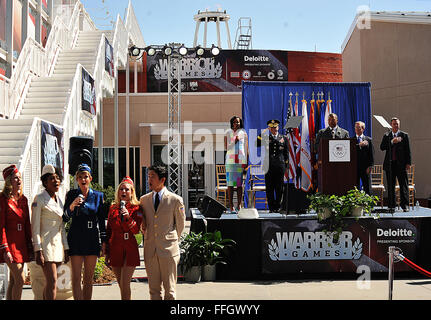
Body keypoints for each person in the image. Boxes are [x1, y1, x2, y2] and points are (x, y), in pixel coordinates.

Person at [140, 165, 186, 300]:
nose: (149, 179)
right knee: (153, 291)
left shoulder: (175, 200)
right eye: (148, 176)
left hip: (168, 250)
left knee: (170, 291)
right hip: (150, 250)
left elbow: (180, 225)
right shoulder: (144, 200)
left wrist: (170, 240)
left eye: (152, 176)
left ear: (162, 179)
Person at [63, 164, 106, 300]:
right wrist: (72, 205)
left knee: (88, 278)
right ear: (76, 179)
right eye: (80, 177)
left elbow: (101, 221)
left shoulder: (98, 196)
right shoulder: (71, 194)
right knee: (76, 278)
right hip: (75, 238)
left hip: (91, 238)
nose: (83, 179)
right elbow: (64, 217)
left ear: (90, 178)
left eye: (85, 177)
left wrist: (103, 241)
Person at [31, 165, 69, 300]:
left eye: (57, 178)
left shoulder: (59, 200)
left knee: (51, 283)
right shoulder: (39, 199)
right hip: (45, 245)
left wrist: (66, 247)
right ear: (45, 182)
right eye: (52, 179)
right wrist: (37, 250)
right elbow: (34, 226)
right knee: (52, 281)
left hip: (58, 246)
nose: (56, 181)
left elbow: (61, 226)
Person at [106, 176, 143, 300]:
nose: (123, 192)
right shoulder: (113, 208)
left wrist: (128, 217)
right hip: (115, 246)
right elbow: (109, 229)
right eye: (121, 189)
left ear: (132, 192)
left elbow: (136, 230)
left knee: (125, 282)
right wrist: (106, 249)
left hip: (129, 246)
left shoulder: (137, 208)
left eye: (127, 189)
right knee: (121, 285)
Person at [0, 165, 33, 300]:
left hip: (21, 245)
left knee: (14, 280)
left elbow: (27, 224)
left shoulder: (23, 199)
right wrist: (5, 248)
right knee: (20, 278)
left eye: (20, 178)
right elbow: (0, 226)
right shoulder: (2, 199)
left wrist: (30, 245)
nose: (19, 180)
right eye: (15, 178)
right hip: (10, 245)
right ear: (9, 181)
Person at [256, 119, 289, 213]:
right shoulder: (265, 137)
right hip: (268, 166)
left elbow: (286, 153)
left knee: (279, 187)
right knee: (270, 187)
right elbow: (257, 144)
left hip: (280, 166)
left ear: (278, 127)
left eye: (275, 127)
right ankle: (271, 207)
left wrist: (286, 166)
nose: (274, 129)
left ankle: (278, 206)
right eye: (272, 127)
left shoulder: (284, 138)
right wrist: (262, 134)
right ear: (269, 128)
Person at [380, 117, 412, 212]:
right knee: (390, 186)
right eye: (394, 124)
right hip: (390, 164)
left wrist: (408, 163)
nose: (396, 125)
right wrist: (391, 142)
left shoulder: (404, 135)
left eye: (397, 124)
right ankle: (391, 205)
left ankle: (404, 205)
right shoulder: (387, 135)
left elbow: (408, 151)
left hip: (401, 165)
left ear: (399, 125)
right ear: (391, 125)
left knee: (403, 185)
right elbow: (382, 147)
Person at [224, 116, 249, 212]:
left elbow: (246, 148)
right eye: (234, 122)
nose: (236, 124)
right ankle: (231, 206)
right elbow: (227, 147)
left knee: (239, 184)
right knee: (230, 184)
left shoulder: (244, 133)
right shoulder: (228, 133)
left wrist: (246, 160)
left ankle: (239, 205)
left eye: (238, 122)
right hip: (230, 161)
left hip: (240, 161)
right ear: (232, 123)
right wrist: (235, 141)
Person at [355, 121, 374, 195]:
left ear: (363, 129)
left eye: (358, 127)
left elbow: (371, 154)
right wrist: (359, 145)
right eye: (355, 127)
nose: (356, 129)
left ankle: (368, 204)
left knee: (367, 186)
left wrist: (370, 166)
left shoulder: (368, 140)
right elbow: (351, 150)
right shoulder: (352, 139)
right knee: (354, 187)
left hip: (365, 167)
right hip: (355, 167)